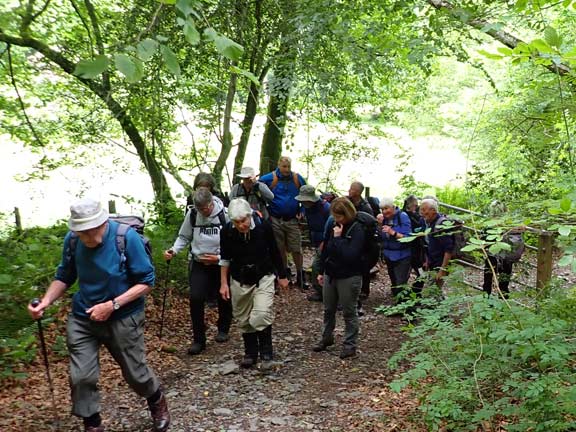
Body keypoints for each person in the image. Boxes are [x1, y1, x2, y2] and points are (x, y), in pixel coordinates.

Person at [27, 198, 169, 432]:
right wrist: (45, 301)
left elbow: (146, 282)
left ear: (102, 223)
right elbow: (64, 275)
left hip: (123, 316)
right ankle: (92, 424)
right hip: (84, 317)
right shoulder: (72, 240)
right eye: (81, 232)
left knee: (136, 374)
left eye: (90, 230)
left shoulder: (125, 238)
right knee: (81, 377)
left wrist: (112, 305)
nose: (86, 236)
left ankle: (156, 400)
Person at [219, 198, 289, 369]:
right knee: (243, 317)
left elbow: (275, 251)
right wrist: (223, 283)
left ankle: (267, 353)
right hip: (239, 278)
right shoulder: (227, 231)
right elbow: (225, 258)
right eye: (236, 222)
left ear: (249, 216)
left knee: (261, 313)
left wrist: (282, 275)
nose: (240, 225)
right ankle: (250, 353)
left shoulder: (263, 227)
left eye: (243, 221)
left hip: (263, 275)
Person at [164, 187, 232, 355]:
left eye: (206, 208)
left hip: (220, 263)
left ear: (211, 202)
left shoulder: (225, 214)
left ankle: (223, 328)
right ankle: (199, 340)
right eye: (200, 209)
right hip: (199, 263)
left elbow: (233, 241)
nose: (204, 211)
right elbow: (184, 236)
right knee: (196, 298)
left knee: (223, 296)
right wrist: (174, 250)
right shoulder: (193, 215)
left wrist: (219, 258)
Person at [313, 197, 366, 359]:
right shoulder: (334, 225)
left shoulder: (358, 229)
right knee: (328, 309)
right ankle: (326, 337)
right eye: (335, 216)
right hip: (331, 273)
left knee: (349, 311)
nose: (337, 219)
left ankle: (350, 344)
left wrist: (338, 238)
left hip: (349, 275)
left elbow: (350, 255)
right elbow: (327, 250)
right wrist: (321, 270)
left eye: (340, 216)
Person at [259, 156, 307, 288]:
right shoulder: (270, 178)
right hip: (275, 218)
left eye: (288, 167)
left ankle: (300, 274)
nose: (286, 170)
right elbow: (258, 186)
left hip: (292, 219)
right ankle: (284, 273)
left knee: (296, 248)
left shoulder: (297, 178)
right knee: (279, 248)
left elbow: (306, 194)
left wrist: (302, 210)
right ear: (279, 165)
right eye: (284, 166)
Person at [295, 185, 331, 301]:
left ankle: (328, 294)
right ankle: (322, 293)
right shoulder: (306, 207)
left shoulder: (325, 208)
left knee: (318, 265)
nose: (304, 202)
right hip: (316, 240)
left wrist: (325, 241)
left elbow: (332, 225)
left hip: (327, 242)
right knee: (320, 266)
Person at [482, 201, 525, 298]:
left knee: (488, 280)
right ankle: (503, 304)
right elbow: (522, 228)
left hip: (491, 256)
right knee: (504, 283)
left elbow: (483, 239)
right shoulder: (511, 223)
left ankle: (486, 301)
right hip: (506, 256)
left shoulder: (489, 223)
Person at [377, 198, 413, 303]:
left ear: (393, 207)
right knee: (394, 282)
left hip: (403, 255)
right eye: (382, 209)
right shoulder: (385, 219)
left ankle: (404, 307)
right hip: (389, 255)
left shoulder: (403, 217)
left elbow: (408, 237)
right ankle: (398, 303)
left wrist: (393, 232)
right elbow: (382, 236)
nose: (384, 211)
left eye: (386, 208)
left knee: (400, 282)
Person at [347, 181, 373, 306]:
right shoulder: (348, 202)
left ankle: (364, 290)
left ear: (357, 192)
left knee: (364, 267)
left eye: (351, 189)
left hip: (364, 242)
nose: (349, 190)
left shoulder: (366, 207)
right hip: (350, 238)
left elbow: (370, 226)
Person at [419, 198, 454, 289]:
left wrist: (442, 270)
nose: (421, 213)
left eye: (423, 210)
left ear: (433, 210)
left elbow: (448, 250)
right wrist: (427, 261)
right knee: (434, 292)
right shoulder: (429, 223)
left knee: (432, 292)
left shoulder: (441, 225)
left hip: (439, 264)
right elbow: (428, 244)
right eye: (420, 209)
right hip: (432, 263)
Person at [402, 195, 426, 294]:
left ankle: (412, 291)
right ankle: (415, 291)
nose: (417, 208)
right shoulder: (408, 216)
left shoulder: (408, 215)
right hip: (413, 250)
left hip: (414, 249)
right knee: (421, 272)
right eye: (416, 206)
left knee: (419, 272)